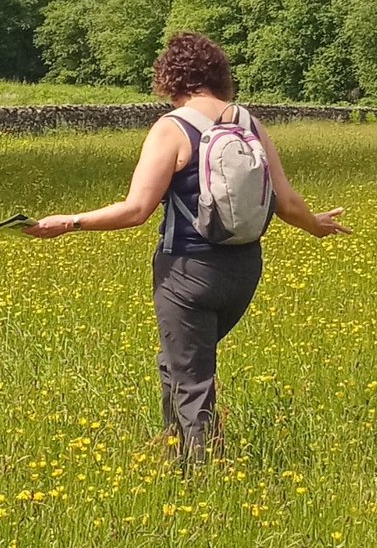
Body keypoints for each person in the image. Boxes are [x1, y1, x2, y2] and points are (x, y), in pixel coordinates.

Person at [23, 32, 350, 463]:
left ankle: (203, 480)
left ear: (170, 78)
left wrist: (69, 223)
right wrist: (317, 225)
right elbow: (286, 203)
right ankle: (173, 446)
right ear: (220, 75)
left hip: (188, 272)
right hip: (244, 271)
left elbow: (136, 209)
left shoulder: (171, 128)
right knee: (179, 361)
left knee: (193, 378)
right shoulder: (249, 123)